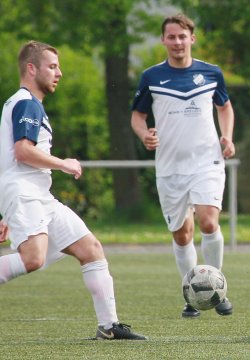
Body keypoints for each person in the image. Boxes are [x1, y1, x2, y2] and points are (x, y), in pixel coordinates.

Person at [0, 41, 146, 340]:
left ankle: (109, 327)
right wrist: (63, 163)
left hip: (37, 195)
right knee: (33, 259)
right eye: (52, 66)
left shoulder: (27, 103)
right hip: (25, 192)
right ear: (31, 68)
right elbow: (22, 152)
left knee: (90, 249)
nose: (59, 73)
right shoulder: (26, 102)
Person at [131, 14, 235, 318]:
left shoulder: (211, 72)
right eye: (171, 37)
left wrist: (226, 136)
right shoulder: (151, 77)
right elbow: (137, 117)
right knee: (181, 235)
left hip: (207, 161)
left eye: (182, 36)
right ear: (163, 40)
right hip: (170, 166)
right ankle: (192, 296)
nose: (177, 42)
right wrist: (144, 134)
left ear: (192, 38)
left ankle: (216, 288)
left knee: (208, 222)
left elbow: (224, 106)